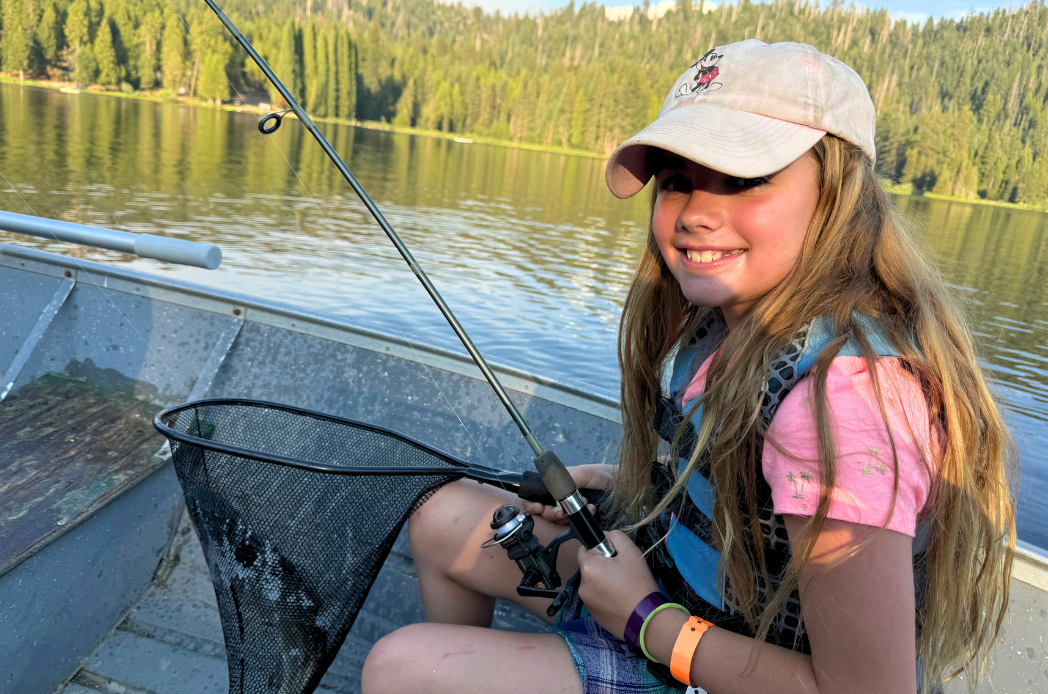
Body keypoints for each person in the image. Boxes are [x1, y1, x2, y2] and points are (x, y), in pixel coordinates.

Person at [360, 40, 1015, 694]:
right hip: (675, 604)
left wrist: (648, 622)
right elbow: (751, 493)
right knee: (444, 521)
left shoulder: (843, 406)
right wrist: (629, 487)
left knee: (403, 669)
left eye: (744, 178)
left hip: (708, 657)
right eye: (677, 181)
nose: (698, 213)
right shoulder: (730, 326)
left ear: (838, 198)